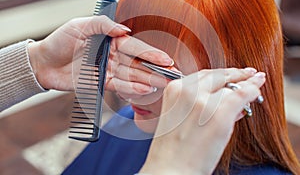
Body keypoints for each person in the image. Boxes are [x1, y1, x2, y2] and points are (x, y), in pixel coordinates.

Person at [63, 0, 300, 174]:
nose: (126, 90)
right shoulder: (125, 122)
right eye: (127, 55)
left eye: (158, 70)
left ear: (234, 78)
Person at [0, 15, 261, 174]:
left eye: (165, 75)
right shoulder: (124, 121)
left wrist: (38, 62)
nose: (132, 95)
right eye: (132, 62)